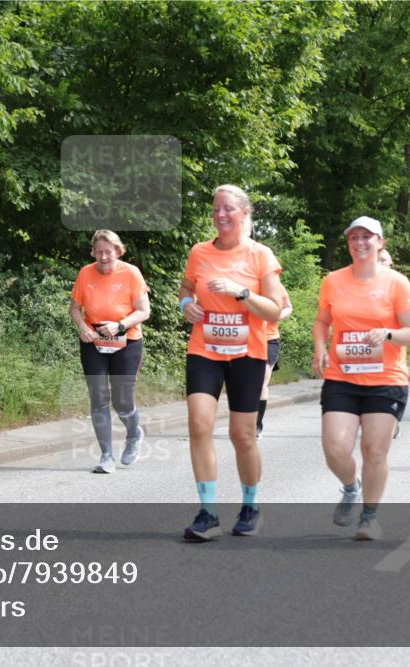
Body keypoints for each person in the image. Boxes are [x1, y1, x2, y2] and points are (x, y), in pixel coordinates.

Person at [179, 185, 284, 541]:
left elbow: (274, 310)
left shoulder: (260, 255)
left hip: (247, 354)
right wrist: (186, 305)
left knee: (242, 435)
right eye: (215, 209)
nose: (220, 215)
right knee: (199, 425)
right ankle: (208, 513)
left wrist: (241, 292)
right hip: (205, 350)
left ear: (244, 213)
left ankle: (250, 507)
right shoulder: (199, 252)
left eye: (228, 209)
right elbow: (185, 289)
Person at [313, 216, 410, 541]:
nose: (359, 243)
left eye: (366, 237)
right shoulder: (333, 281)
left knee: (374, 451)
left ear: (380, 242)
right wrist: (320, 349)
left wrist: (387, 333)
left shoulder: (397, 283)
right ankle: (350, 487)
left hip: (386, 379)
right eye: (354, 237)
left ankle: (370, 517)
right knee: (335, 449)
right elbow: (322, 321)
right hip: (342, 377)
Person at [70, 230, 150, 473]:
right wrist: (82, 327)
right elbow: (74, 309)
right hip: (93, 340)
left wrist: (120, 325)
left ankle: (134, 434)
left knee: (122, 401)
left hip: (126, 339)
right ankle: (106, 456)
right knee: (98, 397)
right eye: (99, 252)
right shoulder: (85, 273)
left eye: (108, 252)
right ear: (93, 252)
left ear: (118, 251)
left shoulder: (131, 273)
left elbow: (144, 311)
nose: (103, 257)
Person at [257, 286, 292, 439]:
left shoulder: (274, 285)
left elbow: (288, 307)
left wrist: (277, 315)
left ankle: (256, 426)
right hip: (246, 339)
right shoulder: (244, 282)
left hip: (269, 340)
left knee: (261, 383)